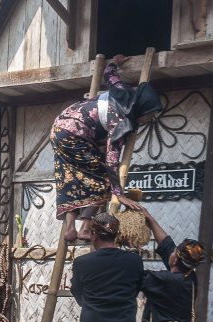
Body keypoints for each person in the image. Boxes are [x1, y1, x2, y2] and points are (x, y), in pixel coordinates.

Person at [52, 54, 160, 241]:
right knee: (104, 181)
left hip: (58, 128)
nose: (148, 120)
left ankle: (70, 229)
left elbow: (109, 74)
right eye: (148, 116)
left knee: (68, 177)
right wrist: (118, 194)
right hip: (75, 137)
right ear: (140, 109)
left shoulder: (124, 91)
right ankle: (85, 228)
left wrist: (114, 63)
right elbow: (111, 160)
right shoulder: (120, 123)